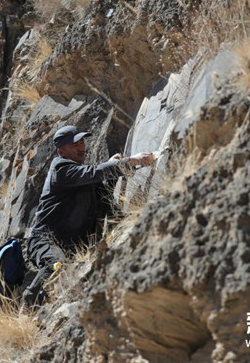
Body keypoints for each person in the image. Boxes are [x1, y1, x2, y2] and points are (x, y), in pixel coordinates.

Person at [22, 125, 155, 305]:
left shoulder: (81, 176)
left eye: (82, 141)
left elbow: (102, 191)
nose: (81, 146)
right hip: (46, 240)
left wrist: (115, 168)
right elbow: (93, 173)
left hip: (72, 248)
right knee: (56, 265)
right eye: (74, 144)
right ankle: (28, 303)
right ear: (61, 151)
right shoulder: (60, 169)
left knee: (67, 274)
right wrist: (128, 162)